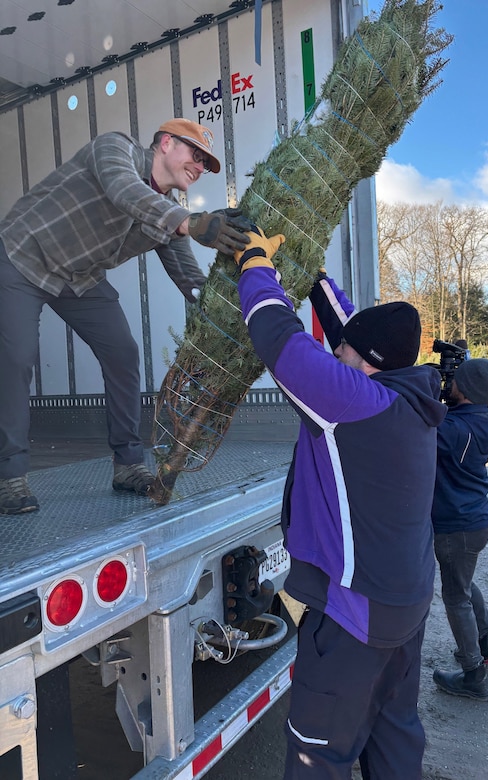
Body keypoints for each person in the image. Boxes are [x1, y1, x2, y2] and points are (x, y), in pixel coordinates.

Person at [233, 226, 447, 779]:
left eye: (343, 351)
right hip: (408, 604)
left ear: (365, 364)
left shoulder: (353, 405)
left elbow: (279, 339)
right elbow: (350, 333)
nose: (336, 352)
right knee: (394, 738)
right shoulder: (412, 394)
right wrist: (317, 279)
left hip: (355, 618)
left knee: (318, 755)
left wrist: (255, 265)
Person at [0, 117, 251, 515]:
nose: (200, 166)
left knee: (123, 353)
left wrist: (224, 314)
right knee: (16, 358)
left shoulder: (167, 214)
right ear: (165, 143)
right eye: (196, 154)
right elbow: (124, 191)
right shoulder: (115, 149)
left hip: (77, 278)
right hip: (22, 256)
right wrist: (187, 223)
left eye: (206, 163)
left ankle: (128, 466)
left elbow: (190, 279)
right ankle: (9, 476)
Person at [431, 358, 488, 701]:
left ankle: (473, 673)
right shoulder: (481, 422)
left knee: (455, 595)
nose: (451, 383)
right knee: (464, 582)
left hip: (456, 525)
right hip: (475, 520)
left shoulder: (453, 430)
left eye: (455, 380)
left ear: (465, 389)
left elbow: (413, 428)